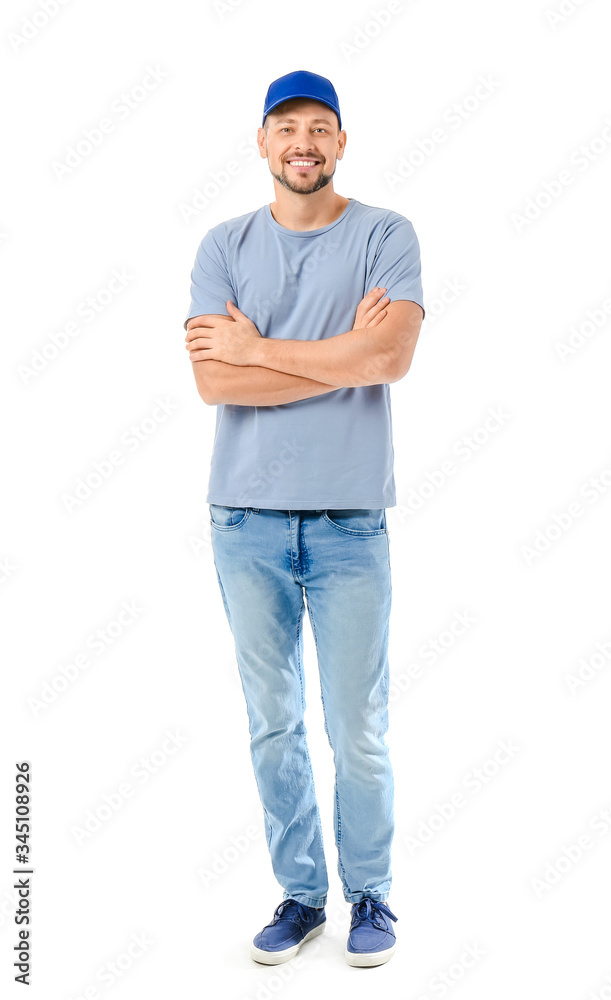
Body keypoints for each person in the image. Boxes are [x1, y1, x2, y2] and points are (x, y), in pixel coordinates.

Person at [183, 70, 425, 968]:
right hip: (243, 520)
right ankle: (300, 895)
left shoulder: (384, 236)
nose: (304, 144)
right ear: (261, 143)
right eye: (287, 129)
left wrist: (261, 349)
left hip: (348, 523)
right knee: (272, 721)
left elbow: (391, 356)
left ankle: (370, 897)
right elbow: (214, 381)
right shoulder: (222, 246)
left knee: (356, 725)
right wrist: (339, 359)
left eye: (320, 128)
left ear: (341, 143)